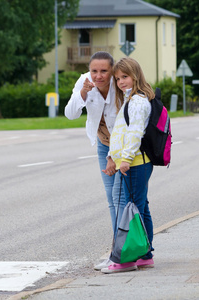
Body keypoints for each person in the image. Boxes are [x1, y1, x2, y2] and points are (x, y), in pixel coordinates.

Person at [65, 51, 125, 271]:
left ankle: (132, 252)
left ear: (112, 71)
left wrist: (113, 156)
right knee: (113, 198)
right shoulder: (84, 81)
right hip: (103, 144)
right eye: (94, 71)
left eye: (104, 71)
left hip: (125, 147)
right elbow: (70, 114)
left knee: (126, 198)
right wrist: (82, 92)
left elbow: (124, 125)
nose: (98, 76)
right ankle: (118, 252)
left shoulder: (120, 84)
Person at [101, 57, 155, 274]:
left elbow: (134, 134)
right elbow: (121, 133)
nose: (121, 81)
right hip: (132, 162)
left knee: (131, 209)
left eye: (125, 77)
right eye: (118, 78)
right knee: (140, 208)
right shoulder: (129, 99)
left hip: (135, 163)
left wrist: (124, 159)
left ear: (135, 75)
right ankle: (145, 255)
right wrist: (113, 156)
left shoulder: (138, 102)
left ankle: (126, 259)